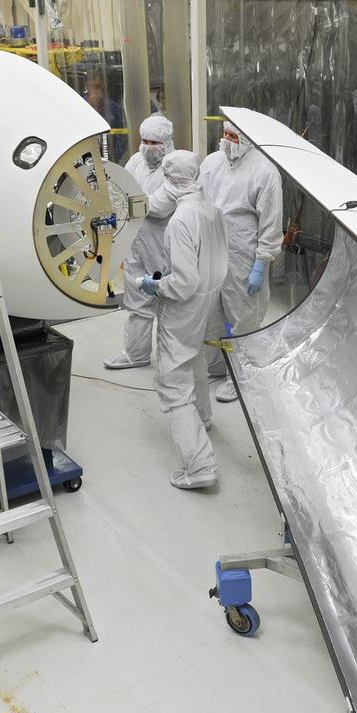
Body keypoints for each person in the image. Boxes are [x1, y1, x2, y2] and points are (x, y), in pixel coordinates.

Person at [139, 150, 229, 489]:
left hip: (184, 305)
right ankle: (203, 418)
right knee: (195, 362)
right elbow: (219, 263)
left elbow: (184, 281)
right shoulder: (211, 211)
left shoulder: (180, 221)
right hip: (209, 300)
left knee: (173, 382)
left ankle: (200, 465)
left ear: (171, 180)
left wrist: (157, 286)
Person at [199, 120, 284, 403]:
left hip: (243, 253)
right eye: (224, 134)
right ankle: (217, 364)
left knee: (243, 316)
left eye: (233, 136)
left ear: (247, 138)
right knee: (213, 310)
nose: (226, 140)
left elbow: (270, 223)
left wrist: (261, 263)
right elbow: (199, 203)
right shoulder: (212, 163)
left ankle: (240, 375)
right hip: (213, 247)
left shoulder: (265, 171)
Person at [104, 114, 174, 370]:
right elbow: (121, 191)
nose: (147, 147)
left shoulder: (176, 166)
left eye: (153, 142)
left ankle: (171, 359)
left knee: (167, 303)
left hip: (162, 244)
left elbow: (160, 206)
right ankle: (136, 354)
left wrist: (130, 202)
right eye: (143, 140)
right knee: (136, 302)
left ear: (166, 142)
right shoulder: (136, 161)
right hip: (135, 241)